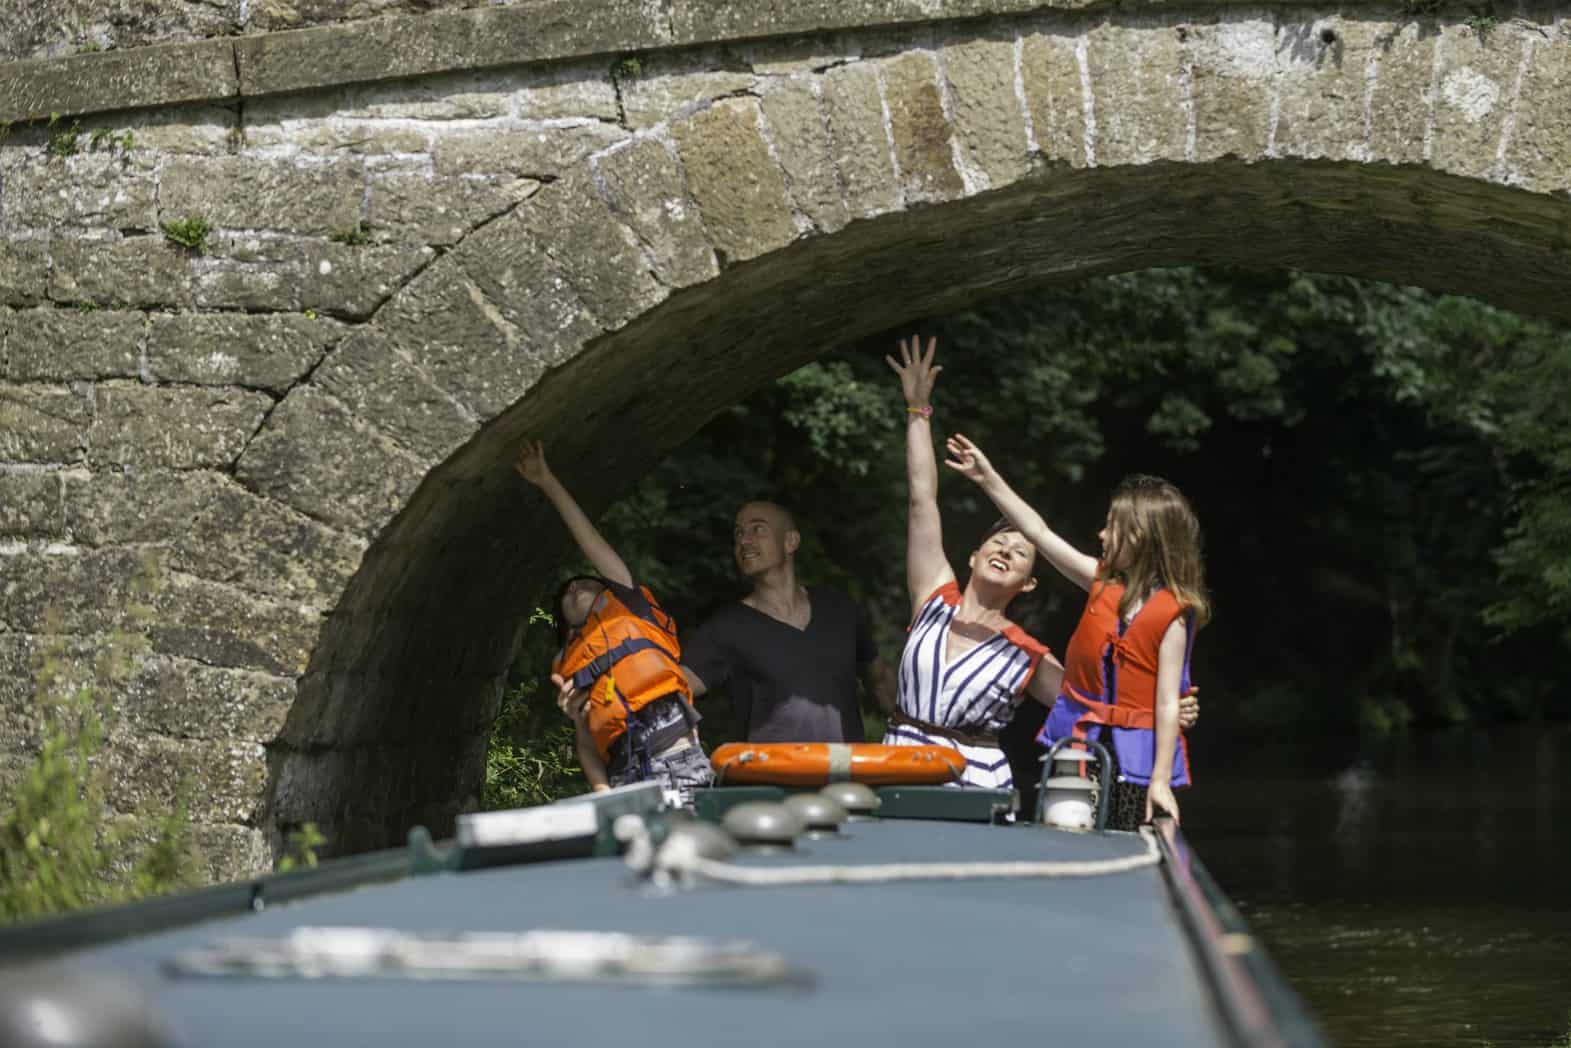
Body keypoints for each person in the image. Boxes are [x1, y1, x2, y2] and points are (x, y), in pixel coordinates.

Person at [944, 430, 1210, 827]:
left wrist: (1160, 782)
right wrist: (988, 479)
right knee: (1066, 825)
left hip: (1132, 757)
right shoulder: (1100, 582)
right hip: (1080, 745)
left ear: (1143, 538)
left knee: (1123, 828)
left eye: (1112, 528)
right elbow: (1038, 532)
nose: (1101, 536)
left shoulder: (1172, 615)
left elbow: (1168, 702)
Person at [879, 335, 1067, 790]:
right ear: (973, 556)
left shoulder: (1028, 654)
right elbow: (922, 500)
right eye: (999, 543)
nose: (1005, 550)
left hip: (974, 783)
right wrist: (918, 412)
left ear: (1027, 585)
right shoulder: (934, 597)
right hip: (894, 767)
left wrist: (1164, 709)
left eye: (1020, 552)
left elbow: (1091, 704)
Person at [514, 441, 712, 803]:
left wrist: (546, 480)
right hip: (624, 778)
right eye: (568, 592)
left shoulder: (630, 606)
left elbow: (589, 540)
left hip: (677, 759)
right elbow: (587, 745)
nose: (575, 586)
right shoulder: (573, 667)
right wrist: (604, 793)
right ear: (567, 626)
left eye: (587, 582)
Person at [679, 500, 897, 742]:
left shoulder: (839, 609)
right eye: (739, 533)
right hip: (768, 777)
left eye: (758, 529)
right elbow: (674, 687)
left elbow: (879, 681)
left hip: (845, 774)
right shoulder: (726, 628)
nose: (744, 540)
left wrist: (923, 730)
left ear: (791, 541)